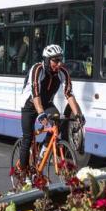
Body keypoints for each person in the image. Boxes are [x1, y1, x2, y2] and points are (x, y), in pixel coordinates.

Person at [17, 44, 85, 173]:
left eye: (61, 60)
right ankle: (23, 172)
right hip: (30, 105)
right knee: (28, 137)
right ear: (47, 60)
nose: (59, 64)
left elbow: (69, 94)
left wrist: (78, 115)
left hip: (47, 103)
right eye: (56, 60)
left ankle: (44, 149)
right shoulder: (37, 69)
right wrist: (41, 113)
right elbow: (35, 93)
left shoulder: (62, 72)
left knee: (56, 124)